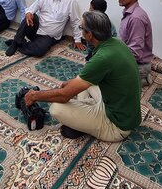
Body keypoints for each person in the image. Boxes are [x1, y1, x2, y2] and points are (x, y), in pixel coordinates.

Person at [24, 10, 141, 141]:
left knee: (56, 108)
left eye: (81, 28)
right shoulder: (116, 43)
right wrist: (72, 84)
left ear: (89, 35)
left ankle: (81, 123)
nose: (81, 31)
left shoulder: (102, 58)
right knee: (85, 81)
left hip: (116, 126)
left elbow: (64, 96)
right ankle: (82, 118)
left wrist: (35, 96)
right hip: (125, 113)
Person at [5, 0, 85, 57]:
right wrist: (29, 13)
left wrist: (77, 40)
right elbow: (32, 8)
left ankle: (21, 44)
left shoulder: (70, 2)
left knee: (39, 51)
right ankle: (15, 43)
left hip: (48, 36)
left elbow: (75, 21)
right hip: (35, 30)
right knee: (30, 16)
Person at [117, 0, 154, 86]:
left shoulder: (136, 18)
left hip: (138, 65)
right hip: (129, 59)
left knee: (109, 81)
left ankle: (141, 78)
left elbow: (135, 52)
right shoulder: (130, 14)